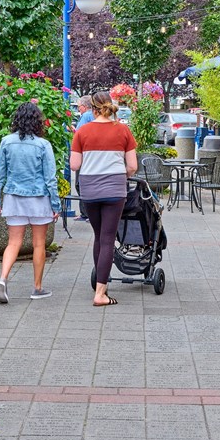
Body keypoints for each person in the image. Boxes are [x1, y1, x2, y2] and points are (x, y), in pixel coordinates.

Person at [70, 90, 138, 306]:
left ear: (92, 108)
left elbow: (74, 165)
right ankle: (100, 292)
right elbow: (133, 167)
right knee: (109, 238)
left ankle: (100, 284)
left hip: (90, 190)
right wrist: (119, 174)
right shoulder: (123, 130)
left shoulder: (82, 131)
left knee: (99, 236)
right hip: (115, 189)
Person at [0, 103, 61, 302]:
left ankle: (3, 279)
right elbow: (50, 179)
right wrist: (56, 205)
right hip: (39, 199)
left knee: (13, 243)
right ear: (37, 121)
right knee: (39, 244)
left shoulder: (6, 142)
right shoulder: (43, 145)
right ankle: (37, 288)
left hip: (14, 197)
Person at [72, 95, 94, 221]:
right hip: (90, 155)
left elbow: (79, 135)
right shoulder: (94, 115)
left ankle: (86, 213)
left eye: (79, 106)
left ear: (84, 107)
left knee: (80, 183)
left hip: (83, 154)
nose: (79, 109)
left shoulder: (86, 116)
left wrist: (72, 130)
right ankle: (86, 213)